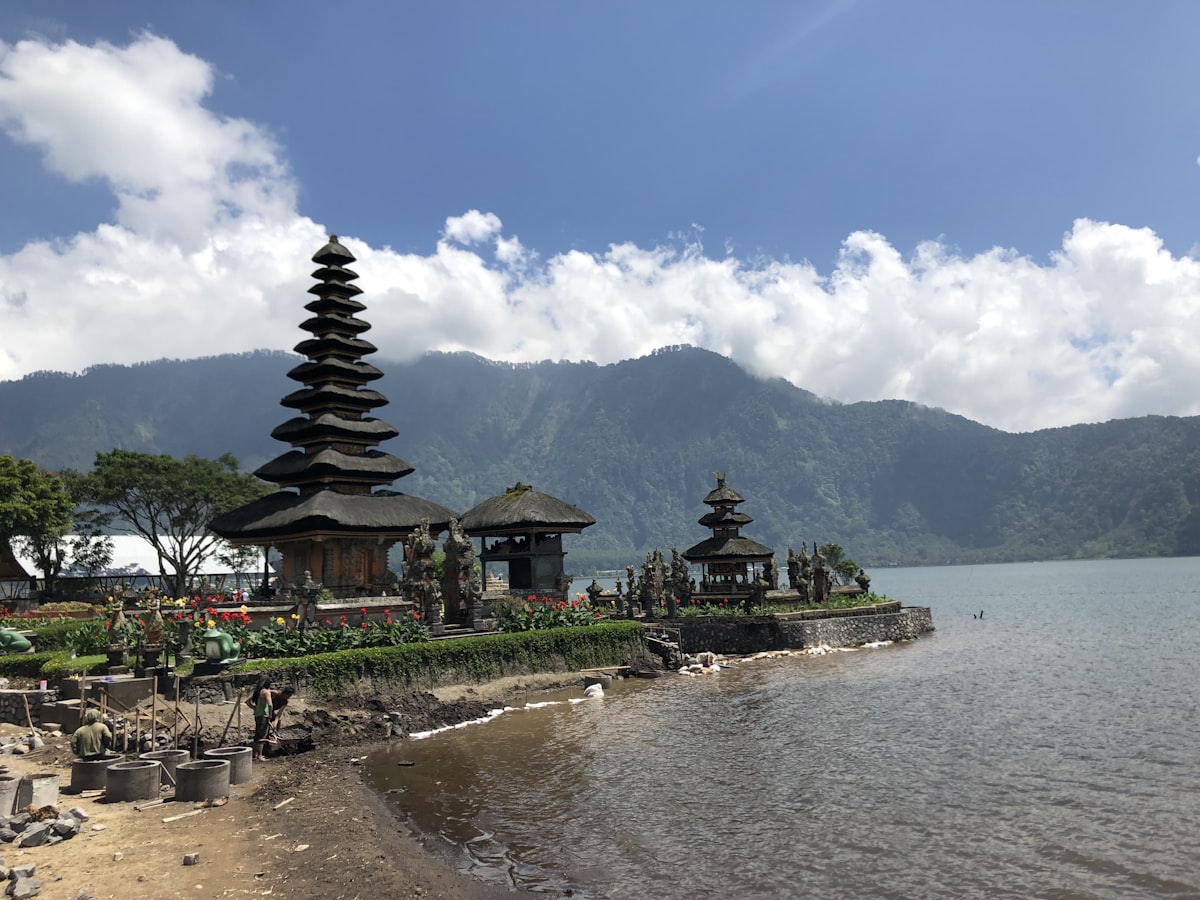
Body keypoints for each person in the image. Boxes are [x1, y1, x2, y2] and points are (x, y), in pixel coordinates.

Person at [250, 682, 294, 761]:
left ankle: (268, 744)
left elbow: (279, 713)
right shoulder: (274, 693)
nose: (288, 697)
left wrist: (275, 722)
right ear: (284, 693)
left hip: (271, 712)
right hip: (264, 712)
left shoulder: (285, 702)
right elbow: (261, 694)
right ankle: (258, 752)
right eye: (288, 695)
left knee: (276, 724)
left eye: (290, 696)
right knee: (262, 732)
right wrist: (255, 706)